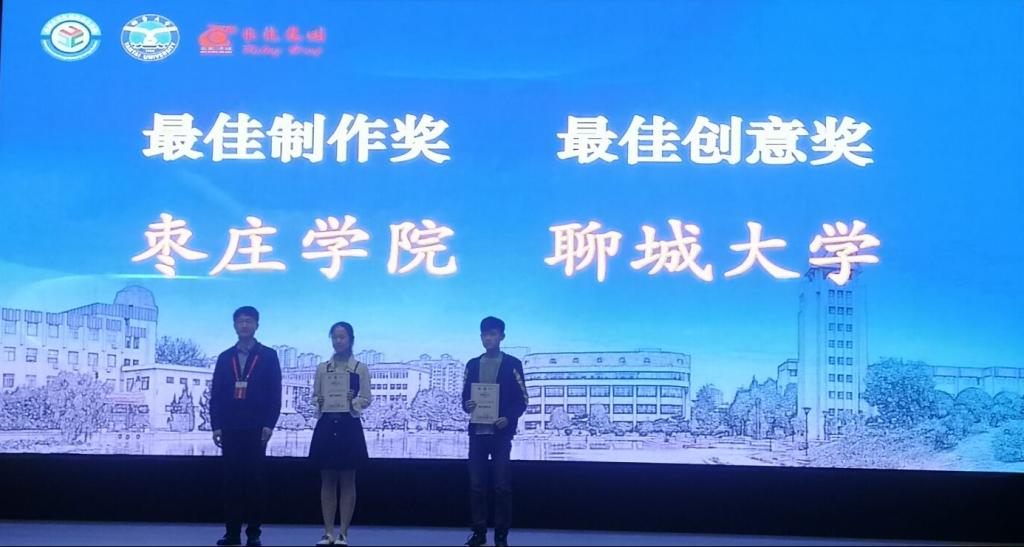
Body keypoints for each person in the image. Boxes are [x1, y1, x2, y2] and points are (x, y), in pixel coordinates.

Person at [210, 306, 282, 547]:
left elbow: (275, 393)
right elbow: (216, 394)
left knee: (255, 482)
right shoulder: (225, 357)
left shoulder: (268, 356)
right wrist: (216, 425)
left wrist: (269, 424)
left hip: (257, 428)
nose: (244, 325)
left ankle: (254, 534)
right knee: (231, 482)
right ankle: (232, 534)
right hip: (230, 427)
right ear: (234, 326)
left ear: (256, 325)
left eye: (248, 321)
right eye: (240, 321)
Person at [462, 317, 529, 547]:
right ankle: (479, 533)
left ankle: (501, 535)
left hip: (500, 436)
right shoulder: (472, 364)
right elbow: (465, 398)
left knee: (501, 487)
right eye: (484, 334)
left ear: (502, 336)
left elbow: (522, 399)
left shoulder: (512, 364)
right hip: (477, 435)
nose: (488, 338)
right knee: (476, 486)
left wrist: (508, 418)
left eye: (492, 334)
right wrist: (467, 405)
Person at [309, 322, 372, 546]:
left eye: (342, 337)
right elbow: (315, 396)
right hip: (327, 425)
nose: (338, 341)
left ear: (351, 339)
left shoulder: (360, 368)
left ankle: (343, 533)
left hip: (349, 426)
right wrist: (319, 401)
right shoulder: (322, 368)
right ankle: (328, 532)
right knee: (327, 479)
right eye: (335, 337)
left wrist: (352, 401)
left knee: (347, 479)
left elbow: (367, 398)